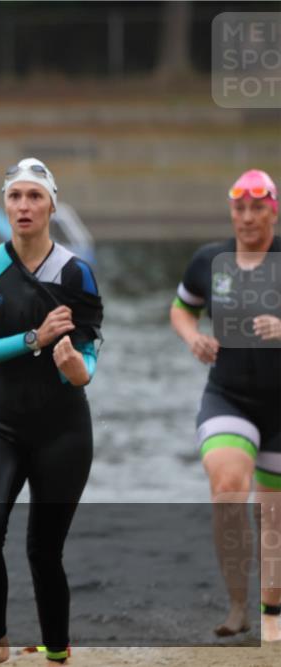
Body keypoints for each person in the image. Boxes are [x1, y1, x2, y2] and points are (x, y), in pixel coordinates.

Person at [0, 158, 103, 666]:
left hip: (63, 428)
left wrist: (76, 369)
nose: (24, 205)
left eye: (34, 196)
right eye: (15, 196)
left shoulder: (75, 272)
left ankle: (57, 651)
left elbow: (89, 350)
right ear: (5, 204)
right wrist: (33, 339)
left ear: (51, 205)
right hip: (0, 421)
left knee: (43, 550)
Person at [169, 168, 281, 641]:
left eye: (258, 207)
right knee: (228, 487)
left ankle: (272, 613)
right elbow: (181, 308)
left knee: (273, 514)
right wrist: (193, 336)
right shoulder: (208, 260)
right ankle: (237, 606)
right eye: (240, 208)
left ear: (273, 210)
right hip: (228, 395)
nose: (248, 217)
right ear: (231, 212)